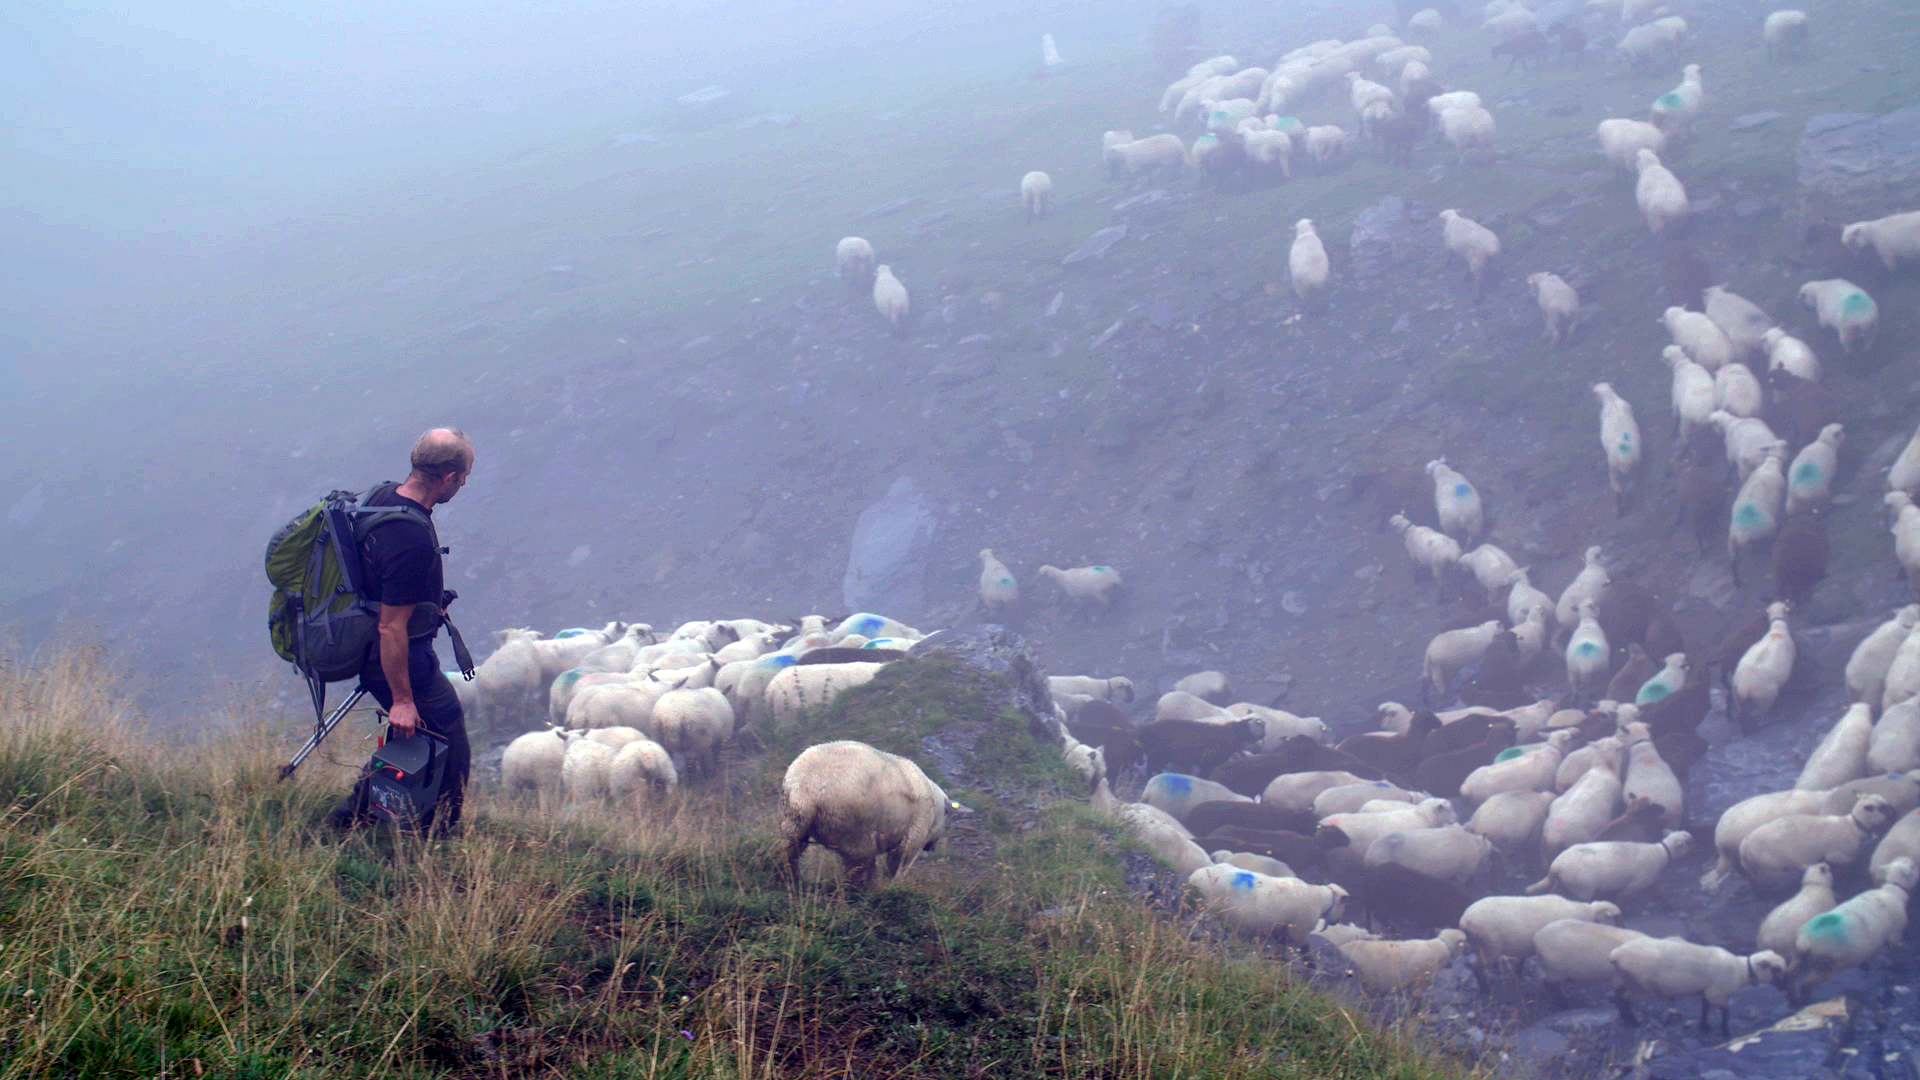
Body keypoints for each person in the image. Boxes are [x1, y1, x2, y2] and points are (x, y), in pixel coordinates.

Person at [329, 427, 475, 834]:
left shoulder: (382, 497)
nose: (464, 485)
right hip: (398, 656)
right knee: (448, 741)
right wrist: (402, 699)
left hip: (370, 644)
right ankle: (440, 832)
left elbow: (378, 577)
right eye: (463, 477)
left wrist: (429, 603)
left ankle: (355, 818)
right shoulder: (410, 535)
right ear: (447, 477)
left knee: (414, 739)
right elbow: (391, 626)